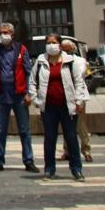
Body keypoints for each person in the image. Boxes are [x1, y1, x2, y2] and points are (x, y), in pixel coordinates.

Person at [29, 34, 88, 181]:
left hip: (67, 105)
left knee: (71, 137)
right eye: (48, 43)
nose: (51, 45)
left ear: (60, 44)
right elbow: (32, 81)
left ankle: (76, 169)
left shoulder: (70, 61)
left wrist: (79, 100)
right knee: (49, 138)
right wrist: (36, 99)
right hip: (48, 106)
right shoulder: (41, 61)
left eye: (54, 42)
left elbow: (79, 82)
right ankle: (49, 170)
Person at [0, 23, 39, 173]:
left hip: (19, 94)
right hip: (2, 94)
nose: (3, 35)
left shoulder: (21, 50)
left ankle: (28, 160)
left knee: (24, 129)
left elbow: (29, 72)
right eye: (1, 32)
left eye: (6, 32)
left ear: (12, 34)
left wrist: (29, 93)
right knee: (0, 129)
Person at [60, 40, 93, 163]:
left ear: (73, 49)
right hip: (64, 95)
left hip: (78, 95)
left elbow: (79, 75)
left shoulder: (81, 61)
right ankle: (67, 150)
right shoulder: (58, 61)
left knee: (81, 125)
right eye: (64, 49)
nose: (66, 52)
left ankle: (86, 150)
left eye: (68, 49)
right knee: (66, 124)